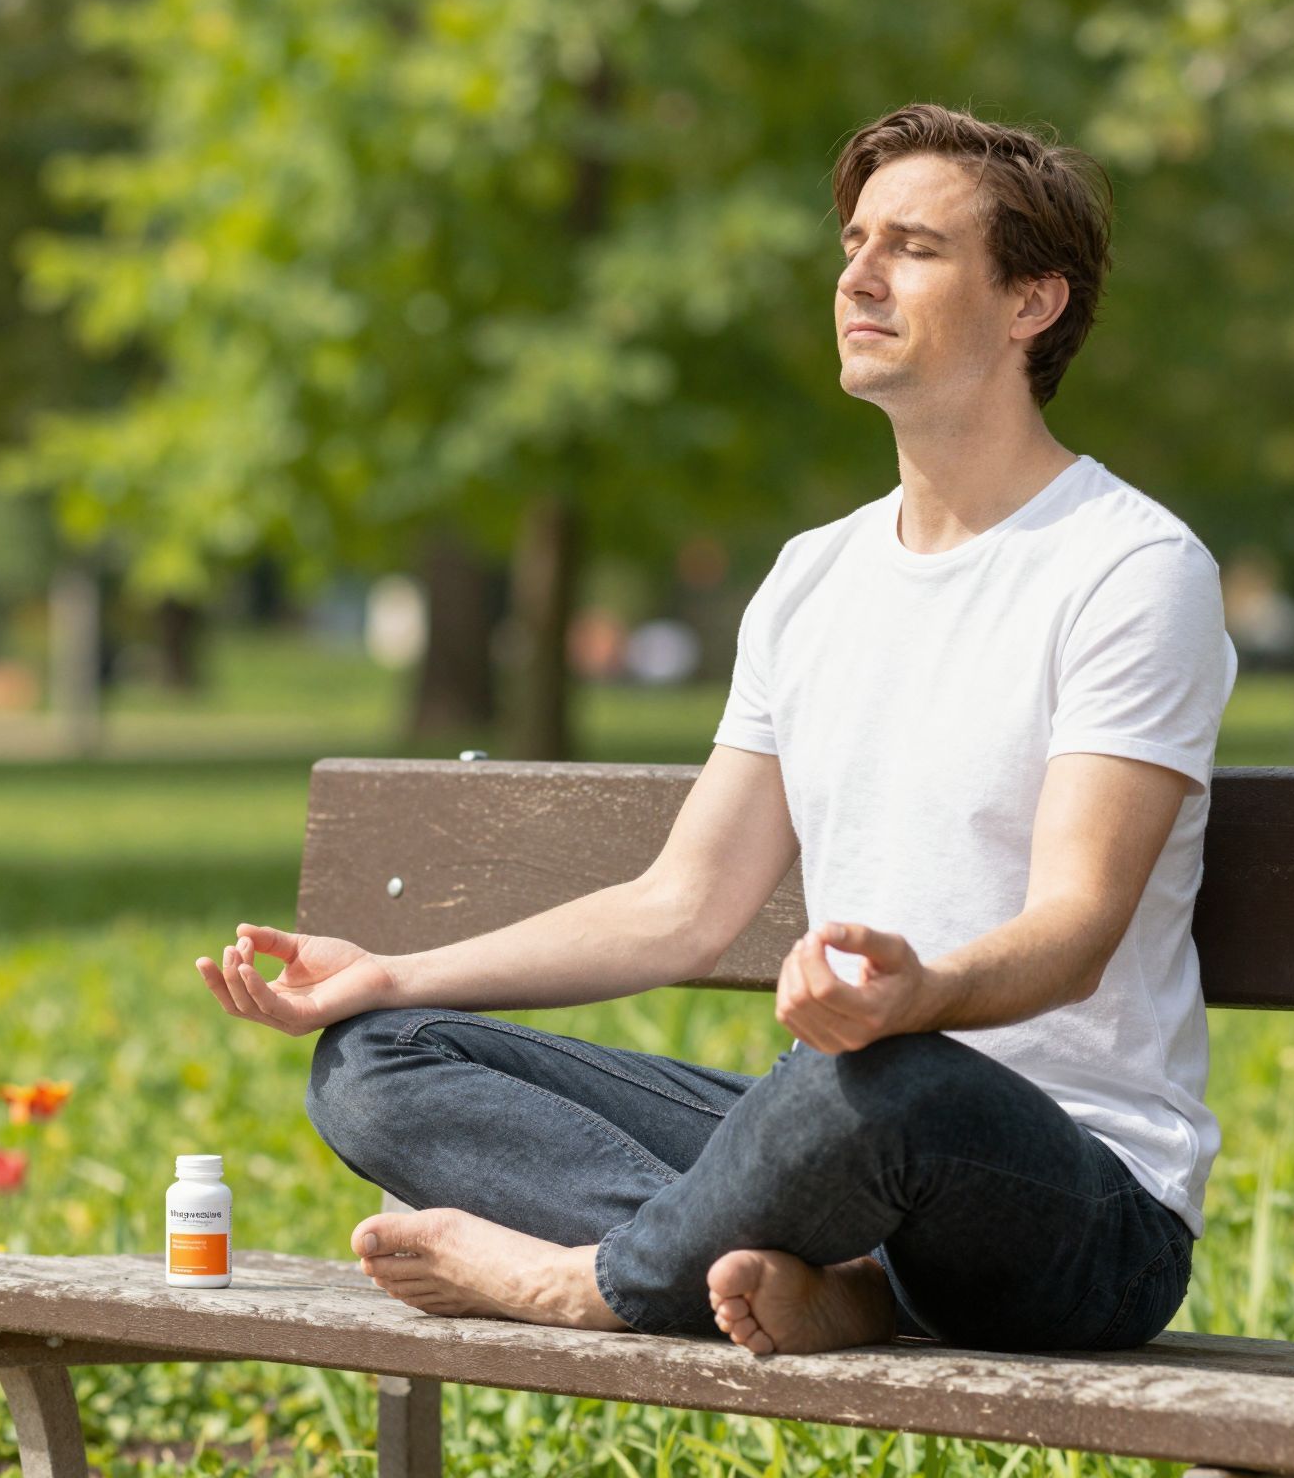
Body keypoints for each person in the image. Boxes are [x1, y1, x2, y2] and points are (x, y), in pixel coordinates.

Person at [194, 103, 1237, 1357]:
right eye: (852, 241)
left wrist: (925, 994)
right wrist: (393, 974)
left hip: (1070, 1201)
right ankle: (809, 1280)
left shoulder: (1125, 567)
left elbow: (1073, 932)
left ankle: (590, 1279)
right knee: (377, 1060)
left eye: (910, 246)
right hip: (833, 1150)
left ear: (1030, 303)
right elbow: (680, 905)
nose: (856, 274)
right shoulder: (812, 578)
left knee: (877, 1082)